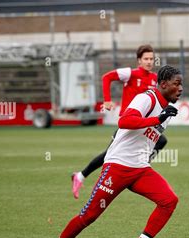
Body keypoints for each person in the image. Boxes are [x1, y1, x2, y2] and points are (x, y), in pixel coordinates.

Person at [43, 65, 183, 238]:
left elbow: (148, 139)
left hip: (140, 168)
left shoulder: (168, 110)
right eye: (177, 84)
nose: (181, 88)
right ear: (163, 84)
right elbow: (124, 121)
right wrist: (157, 119)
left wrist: (149, 148)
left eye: (181, 84)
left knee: (169, 200)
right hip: (117, 166)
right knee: (89, 215)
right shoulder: (147, 98)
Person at [71, 44, 168, 199]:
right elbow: (106, 77)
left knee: (161, 141)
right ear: (139, 61)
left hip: (142, 127)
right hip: (128, 126)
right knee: (108, 156)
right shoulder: (131, 73)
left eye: (151, 59)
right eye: (146, 59)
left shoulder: (155, 79)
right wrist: (107, 100)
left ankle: (141, 164)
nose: (149, 61)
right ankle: (80, 176)